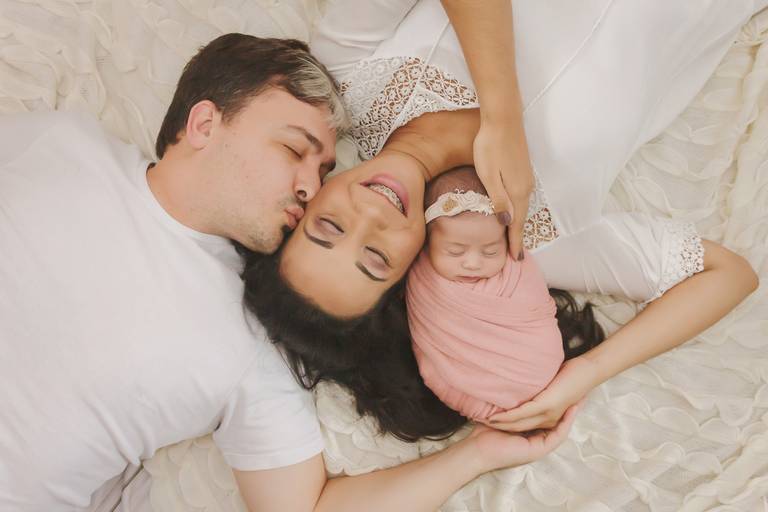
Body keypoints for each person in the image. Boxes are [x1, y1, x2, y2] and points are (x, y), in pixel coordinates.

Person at [0, 32, 580, 512]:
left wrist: (478, 454)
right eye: (293, 149)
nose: (311, 185)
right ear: (204, 125)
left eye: (324, 168)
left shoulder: (249, 336)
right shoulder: (60, 140)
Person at [240, 0, 760, 449]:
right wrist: (584, 373)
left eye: (329, 227)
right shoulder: (525, 242)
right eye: (376, 258)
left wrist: (502, 117)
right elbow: (728, 275)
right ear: (406, 275)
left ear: (306, 201)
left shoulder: (348, 71)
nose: (371, 216)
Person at [405, 165, 604, 421]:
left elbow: (537, 310)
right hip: (463, 384)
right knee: (437, 369)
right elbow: (428, 345)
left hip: (537, 368)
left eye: (491, 252)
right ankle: (492, 411)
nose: (473, 263)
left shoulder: (517, 270)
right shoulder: (424, 283)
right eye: (455, 251)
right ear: (428, 242)